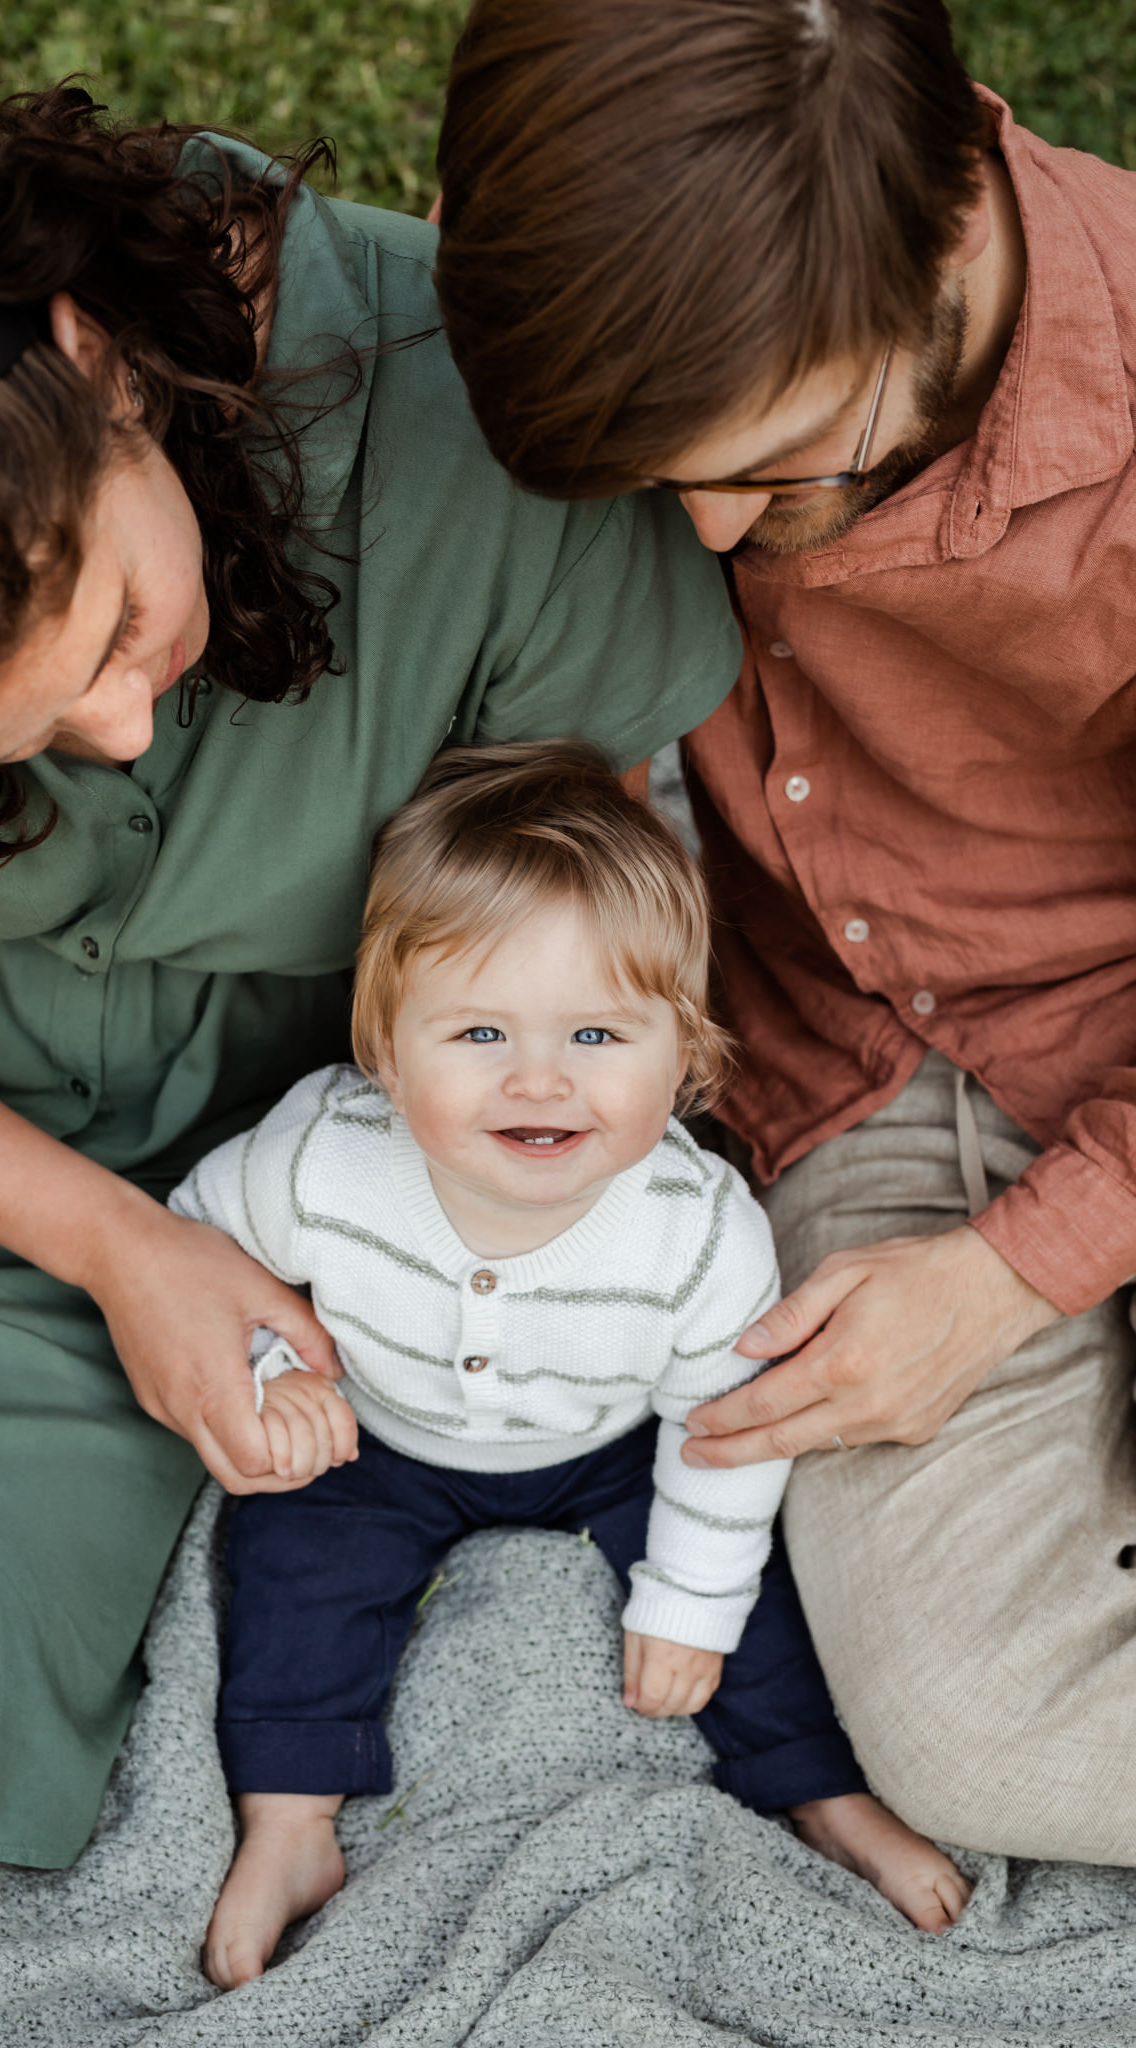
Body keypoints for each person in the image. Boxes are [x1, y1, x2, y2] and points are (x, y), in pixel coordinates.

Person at [0, 88, 745, 1932]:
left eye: (115, 636)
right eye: (22, 743)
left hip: (160, 1221)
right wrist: (99, 1235)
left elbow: (573, 902)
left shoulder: (485, 453)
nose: (123, 731)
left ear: (98, 360)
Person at [431, 0, 1136, 1863]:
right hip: (857, 1070)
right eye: (661, 479)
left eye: (786, 466)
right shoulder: (627, 277)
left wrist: (1014, 1275)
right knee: (979, 1733)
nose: (721, 532)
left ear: (955, 238)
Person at [170, 741, 970, 1987]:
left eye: (599, 1031)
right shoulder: (322, 1154)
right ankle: (292, 1819)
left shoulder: (698, 1230)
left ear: (686, 1050)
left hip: (616, 1447)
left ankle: (819, 1792)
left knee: (747, 1604)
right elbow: (197, 1250)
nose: (539, 1076)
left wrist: (690, 1602)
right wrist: (276, 1366)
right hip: (380, 1429)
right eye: (480, 1028)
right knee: (291, 1564)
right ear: (384, 1044)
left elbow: (723, 1428)